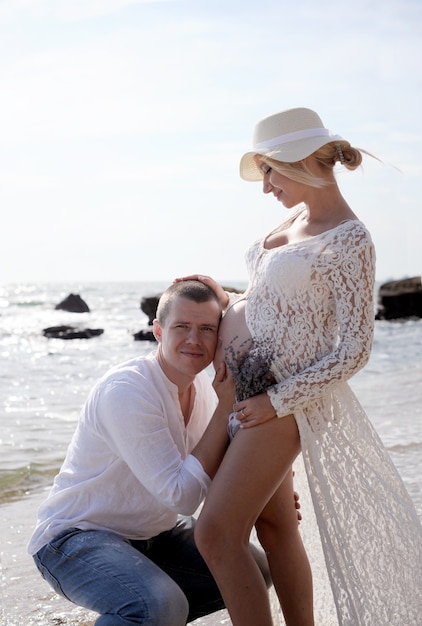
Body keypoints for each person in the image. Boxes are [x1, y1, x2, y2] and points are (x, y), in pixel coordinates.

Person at [177, 107, 422, 626]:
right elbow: (274, 299)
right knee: (275, 529)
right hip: (247, 392)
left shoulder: (350, 238)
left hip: (283, 400)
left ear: (302, 159)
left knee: (215, 533)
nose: (265, 186)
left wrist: (275, 401)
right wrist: (227, 297)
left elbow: (354, 348)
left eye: (270, 170)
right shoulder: (293, 218)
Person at [27, 280, 273, 626]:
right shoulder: (128, 390)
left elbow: (226, 458)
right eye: (181, 327)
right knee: (159, 606)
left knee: (253, 571)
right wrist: (223, 410)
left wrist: (270, 490)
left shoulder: (205, 386)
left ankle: (135, 612)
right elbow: (182, 496)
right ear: (158, 330)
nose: (194, 340)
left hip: (154, 535)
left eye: (207, 329)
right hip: (75, 538)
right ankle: (142, 612)